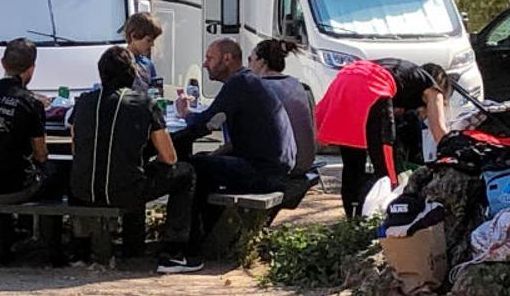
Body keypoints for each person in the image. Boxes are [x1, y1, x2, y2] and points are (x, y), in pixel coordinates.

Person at [70, 46, 203, 274]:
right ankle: (172, 252)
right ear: (132, 74)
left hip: (83, 190)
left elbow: (76, 147)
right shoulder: (143, 104)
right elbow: (169, 157)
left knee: (124, 170)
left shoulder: (83, 102)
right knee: (185, 173)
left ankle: (81, 249)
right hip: (125, 191)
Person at [172, 38, 296, 249]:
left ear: (227, 59)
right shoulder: (248, 81)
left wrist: (185, 114)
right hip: (277, 166)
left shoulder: (238, 84)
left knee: (188, 169)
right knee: (202, 162)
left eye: (210, 58)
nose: (204, 64)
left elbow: (208, 123)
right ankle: (202, 235)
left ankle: (182, 246)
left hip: (264, 172)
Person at [0, 38, 65, 263]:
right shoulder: (30, 103)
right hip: (12, 190)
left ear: (2, 62)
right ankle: (49, 245)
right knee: (55, 174)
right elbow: (41, 154)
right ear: (32, 69)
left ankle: (1, 240)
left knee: (1, 166)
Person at [314, 58, 450, 219]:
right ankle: (388, 217)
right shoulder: (432, 88)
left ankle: (352, 216)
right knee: (385, 168)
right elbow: (439, 131)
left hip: (346, 78)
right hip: (372, 86)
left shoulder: (406, 75)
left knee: (352, 162)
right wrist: (452, 156)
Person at [248, 39, 317, 176]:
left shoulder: (259, 87)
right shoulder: (298, 85)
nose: (248, 65)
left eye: (250, 59)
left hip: (281, 165)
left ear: (262, 61)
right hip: (305, 162)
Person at [124, 13, 163, 93]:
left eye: (153, 40)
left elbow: (155, 95)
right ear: (133, 36)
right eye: (148, 40)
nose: (152, 44)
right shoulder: (118, 62)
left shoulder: (148, 64)